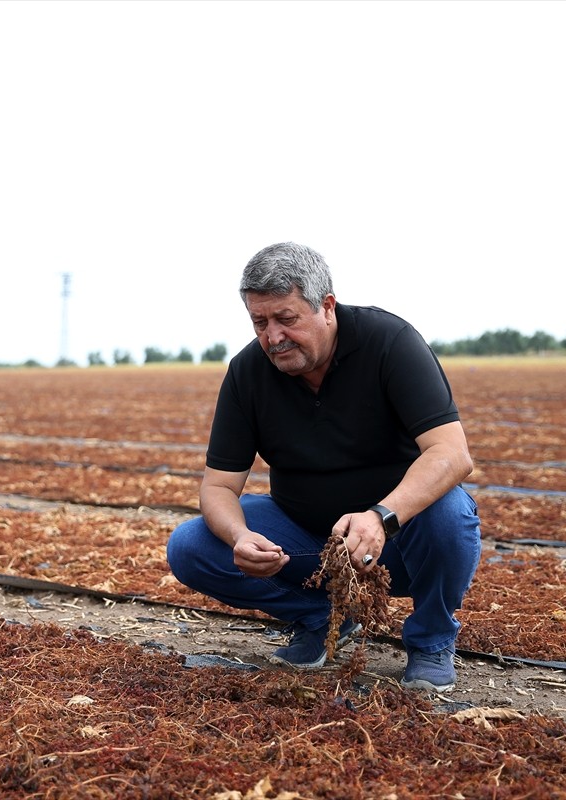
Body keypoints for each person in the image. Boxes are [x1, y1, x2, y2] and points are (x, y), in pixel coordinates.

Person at [165, 242, 481, 691]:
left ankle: (431, 640)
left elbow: (452, 453)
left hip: (399, 542)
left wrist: (382, 516)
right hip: (307, 543)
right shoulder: (248, 373)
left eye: (286, 319)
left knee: (450, 512)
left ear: (326, 307)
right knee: (191, 545)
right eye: (260, 322)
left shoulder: (389, 342)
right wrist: (239, 538)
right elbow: (218, 487)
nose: (273, 337)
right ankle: (322, 617)